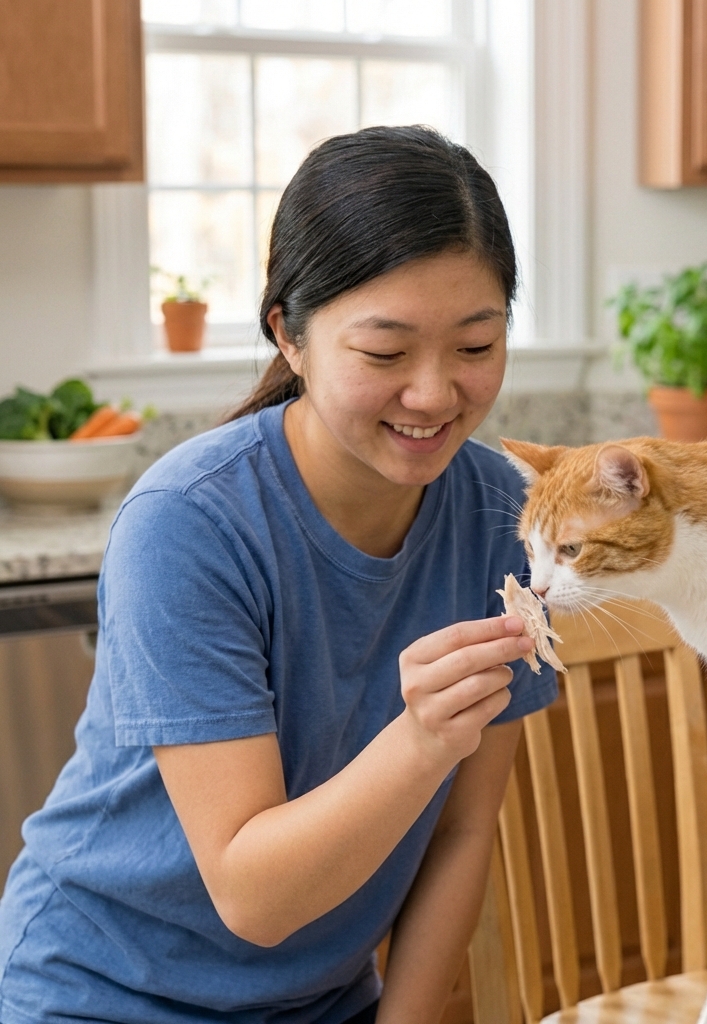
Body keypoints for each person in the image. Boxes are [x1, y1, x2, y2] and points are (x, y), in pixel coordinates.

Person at [0, 126, 558, 1024]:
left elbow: (461, 834)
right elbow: (253, 897)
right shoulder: (188, 523)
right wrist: (418, 741)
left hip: (320, 1004)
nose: (434, 393)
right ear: (288, 336)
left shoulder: (501, 514)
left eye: (475, 345)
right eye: (384, 354)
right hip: (98, 994)